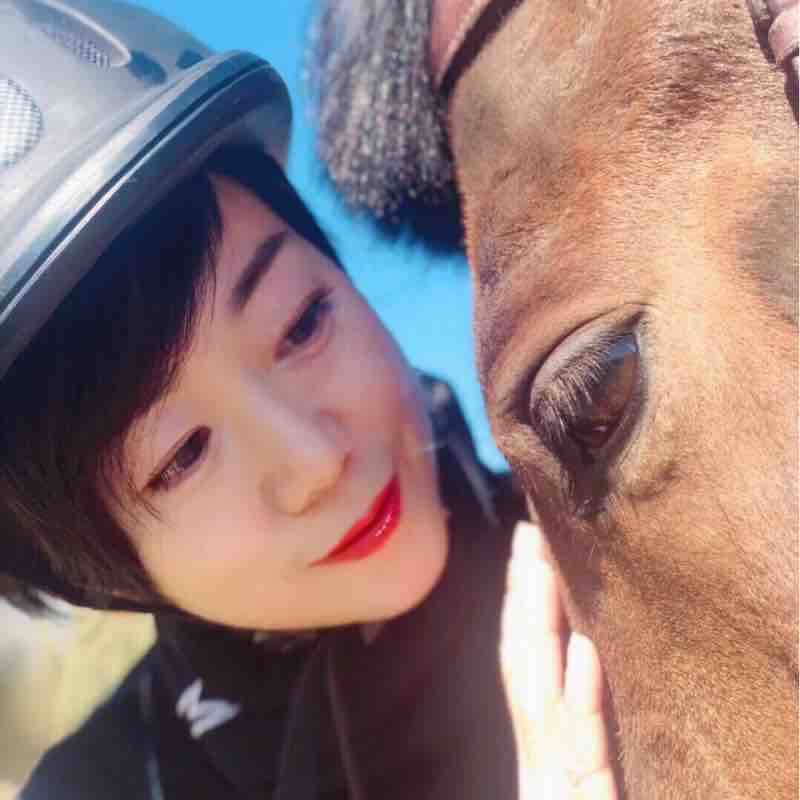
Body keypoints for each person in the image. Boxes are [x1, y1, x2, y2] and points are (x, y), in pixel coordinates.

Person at [0, 2, 617, 798]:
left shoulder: (627, 554)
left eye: (301, 324)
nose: (317, 463)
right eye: (183, 455)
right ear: (100, 570)